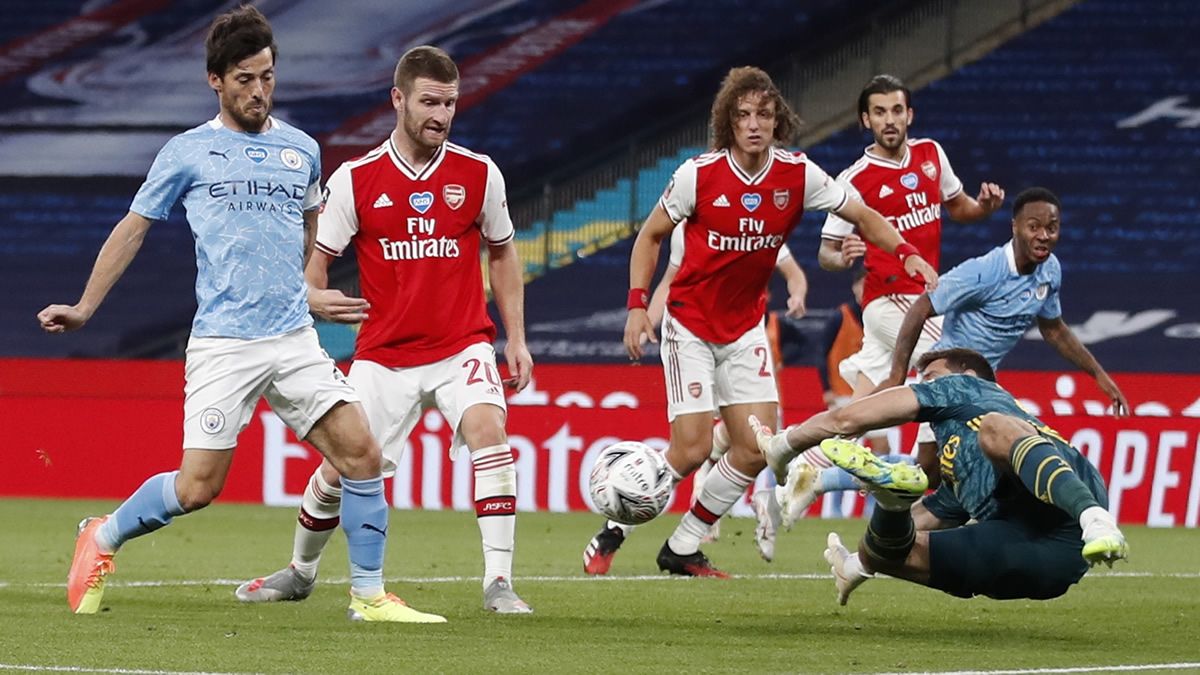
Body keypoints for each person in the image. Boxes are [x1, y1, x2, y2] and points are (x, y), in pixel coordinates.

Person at [38, 6, 439, 622]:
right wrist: (85, 306)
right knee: (198, 487)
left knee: (362, 453)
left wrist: (308, 291)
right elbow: (132, 229)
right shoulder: (188, 152)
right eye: (245, 79)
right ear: (216, 81)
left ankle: (369, 596)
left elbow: (306, 231)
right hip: (225, 343)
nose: (258, 91)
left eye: (267, 77)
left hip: (293, 338)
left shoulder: (301, 149)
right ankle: (103, 533)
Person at [582, 65, 938, 578]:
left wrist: (906, 251)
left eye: (764, 115)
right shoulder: (698, 175)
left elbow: (861, 215)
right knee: (692, 448)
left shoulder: (798, 175)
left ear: (777, 121)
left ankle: (682, 547)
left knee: (756, 450)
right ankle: (614, 529)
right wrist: (638, 304)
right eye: (744, 115)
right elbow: (650, 236)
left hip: (746, 328)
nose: (754, 124)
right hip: (690, 325)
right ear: (728, 122)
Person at [234, 46, 533, 614]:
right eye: (429, 102)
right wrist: (316, 303)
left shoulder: (478, 173)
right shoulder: (356, 180)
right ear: (398, 99)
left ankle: (499, 582)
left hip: (462, 344)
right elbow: (314, 269)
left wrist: (515, 338)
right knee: (341, 467)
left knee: (489, 432)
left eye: (450, 104)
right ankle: (300, 571)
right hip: (383, 353)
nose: (441, 116)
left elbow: (502, 252)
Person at [769, 73, 1005, 524]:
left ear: (909, 114)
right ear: (866, 120)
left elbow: (960, 208)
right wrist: (843, 256)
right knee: (951, 370)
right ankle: (962, 483)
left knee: (858, 415)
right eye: (879, 112)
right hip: (888, 300)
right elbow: (825, 254)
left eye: (897, 110)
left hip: (924, 299)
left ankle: (800, 471)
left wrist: (984, 208)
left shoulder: (931, 155)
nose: (889, 119)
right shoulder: (855, 179)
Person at [753, 347, 1129, 605]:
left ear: (967, 376)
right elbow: (891, 545)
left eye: (931, 377)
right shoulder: (956, 473)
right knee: (889, 549)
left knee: (995, 429)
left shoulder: (970, 391)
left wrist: (785, 443)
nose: (924, 384)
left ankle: (1094, 518)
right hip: (1041, 560)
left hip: (1070, 514)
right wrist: (858, 561)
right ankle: (891, 498)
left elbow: (846, 419)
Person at [875, 186, 1129, 415]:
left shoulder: (1050, 270)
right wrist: (898, 374)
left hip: (982, 381)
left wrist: (1099, 375)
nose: (1043, 235)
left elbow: (1053, 329)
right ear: (1015, 227)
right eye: (1033, 227)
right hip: (947, 375)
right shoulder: (984, 272)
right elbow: (921, 307)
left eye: (1051, 228)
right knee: (985, 441)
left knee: (946, 455)